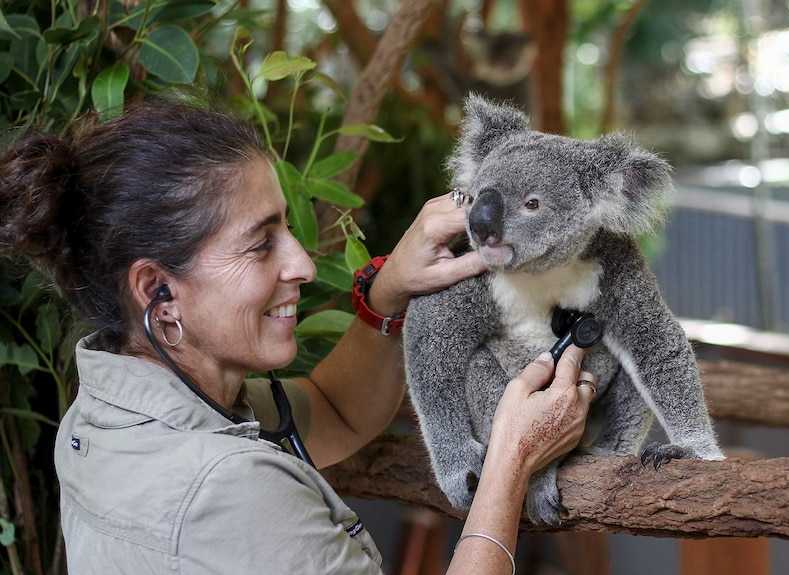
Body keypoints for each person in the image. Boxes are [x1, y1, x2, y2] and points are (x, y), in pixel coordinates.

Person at [0, 100, 595, 574]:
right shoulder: (226, 490)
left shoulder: (112, 412)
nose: (304, 265)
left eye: (287, 226)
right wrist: (511, 463)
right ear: (159, 290)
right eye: (261, 244)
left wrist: (385, 293)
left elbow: (334, 414)